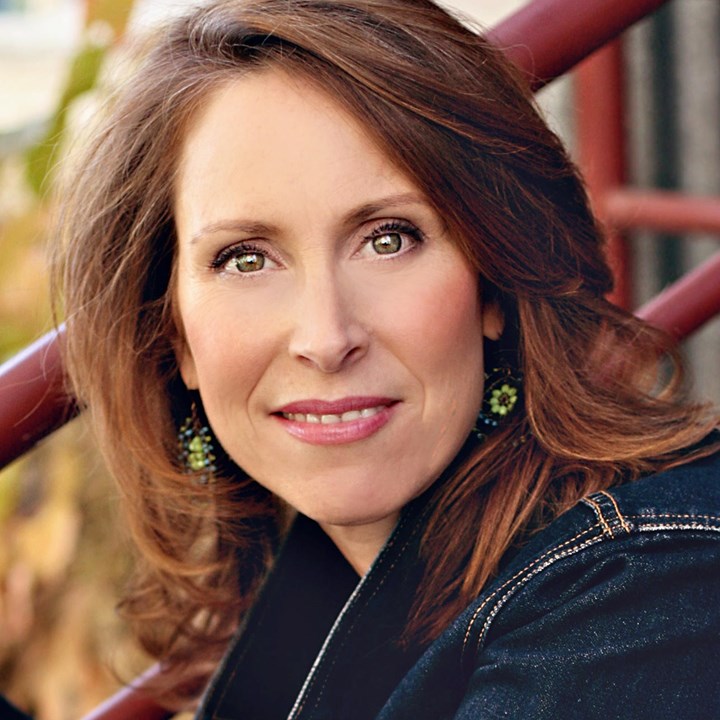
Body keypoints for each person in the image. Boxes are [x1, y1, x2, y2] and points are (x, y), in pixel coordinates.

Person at [17, 0, 719, 717]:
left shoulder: (639, 596)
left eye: (389, 240)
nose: (326, 338)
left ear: (494, 283)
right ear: (174, 336)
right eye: (246, 258)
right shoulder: (330, 574)